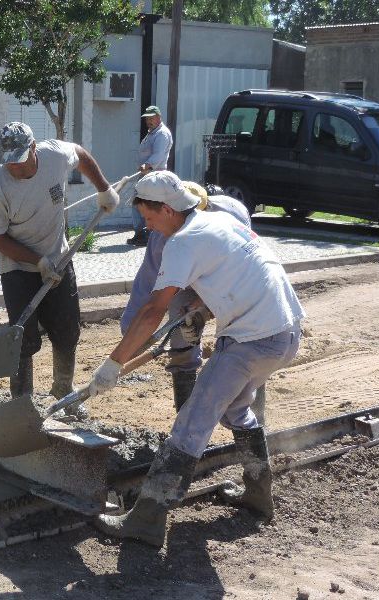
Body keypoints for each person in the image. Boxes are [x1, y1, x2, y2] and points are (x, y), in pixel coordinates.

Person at [88, 170, 304, 547]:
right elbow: (243, 273)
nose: (150, 228)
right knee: (236, 408)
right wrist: (201, 308)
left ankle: (147, 518)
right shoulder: (218, 221)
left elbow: (153, 310)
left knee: (191, 425)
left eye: (151, 219)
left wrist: (114, 363)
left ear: (169, 209)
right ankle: (258, 490)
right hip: (286, 331)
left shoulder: (184, 242)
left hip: (251, 339)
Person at [0, 121, 121, 419]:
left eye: (20, 160)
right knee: (22, 339)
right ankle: (21, 405)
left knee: (67, 331)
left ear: (34, 148)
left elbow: (81, 155)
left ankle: (64, 394)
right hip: (18, 268)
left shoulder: (55, 155)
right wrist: (37, 262)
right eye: (9, 162)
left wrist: (104, 189)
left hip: (59, 260)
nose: (15, 169)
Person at [120, 177, 251, 413]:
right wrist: (132, 337)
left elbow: (240, 273)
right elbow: (147, 288)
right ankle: (185, 414)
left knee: (246, 347)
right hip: (186, 281)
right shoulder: (162, 239)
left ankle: (254, 417)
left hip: (230, 277)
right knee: (182, 335)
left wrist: (205, 307)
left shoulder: (232, 216)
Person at [128, 105, 173, 247]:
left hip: (154, 175)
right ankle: (141, 233)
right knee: (138, 203)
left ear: (159, 117)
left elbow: (158, 155)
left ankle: (146, 233)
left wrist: (147, 165)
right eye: (147, 119)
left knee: (145, 204)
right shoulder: (152, 132)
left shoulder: (162, 134)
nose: (149, 121)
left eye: (152, 118)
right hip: (146, 175)